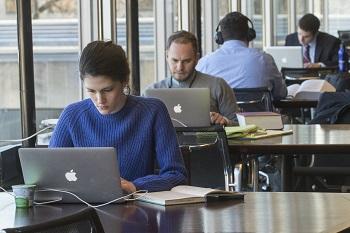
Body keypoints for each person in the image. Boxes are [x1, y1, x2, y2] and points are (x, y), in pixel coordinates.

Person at [49, 41, 187, 193]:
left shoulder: (153, 111)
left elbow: (177, 175)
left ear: (124, 80)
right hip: (83, 209)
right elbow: (50, 176)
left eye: (107, 90)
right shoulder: (71, 116)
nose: (100, 100)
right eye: (91, 91)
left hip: (137, 210)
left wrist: (135, 186)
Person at [146, 30, 238, 126]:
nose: (180, 67)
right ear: (167, 56)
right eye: (175, 60)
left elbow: (238, 124)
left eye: (186, 61)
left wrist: (225, 121)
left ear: (196, 58)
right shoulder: (151, 92)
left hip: (207, 141)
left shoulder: (218, 85)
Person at [196, 12, 287, 100]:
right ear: (249, 35)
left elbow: (197, 96)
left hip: (220, 116)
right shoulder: (265, 60)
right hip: (257, 115)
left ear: (219, 37)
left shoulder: (205, 63)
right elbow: (280, 93)